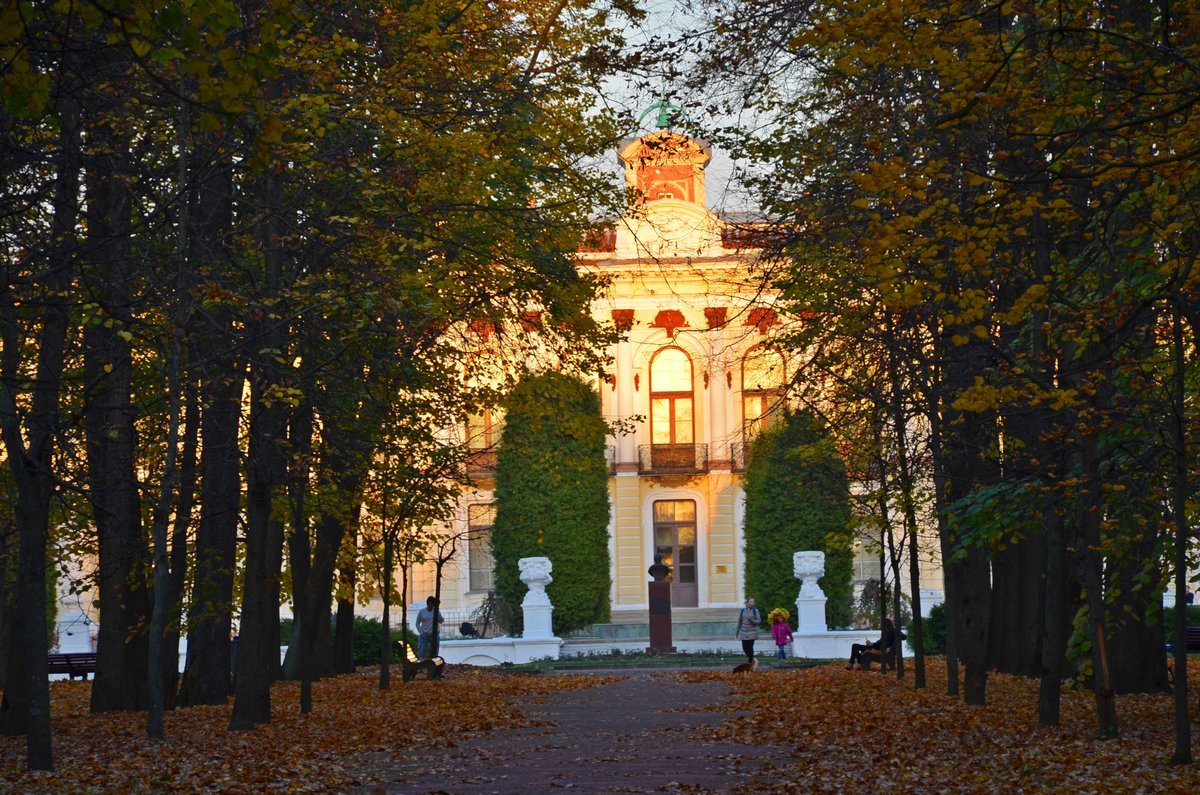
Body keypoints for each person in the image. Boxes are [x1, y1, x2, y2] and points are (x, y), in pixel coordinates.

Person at [736, 597, 761, 665]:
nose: (753, 603)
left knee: (750, 648)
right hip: (743, 633)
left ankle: (750, 662)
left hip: (752, 633)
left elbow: (759, 621)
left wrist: (752, 621)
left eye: (753, 602)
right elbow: (740, 622)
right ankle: (752, 659)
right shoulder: (742, 611)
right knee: (745, 648)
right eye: (751, 602)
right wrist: (737, 632)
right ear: (747, 603)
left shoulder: (755, 611)